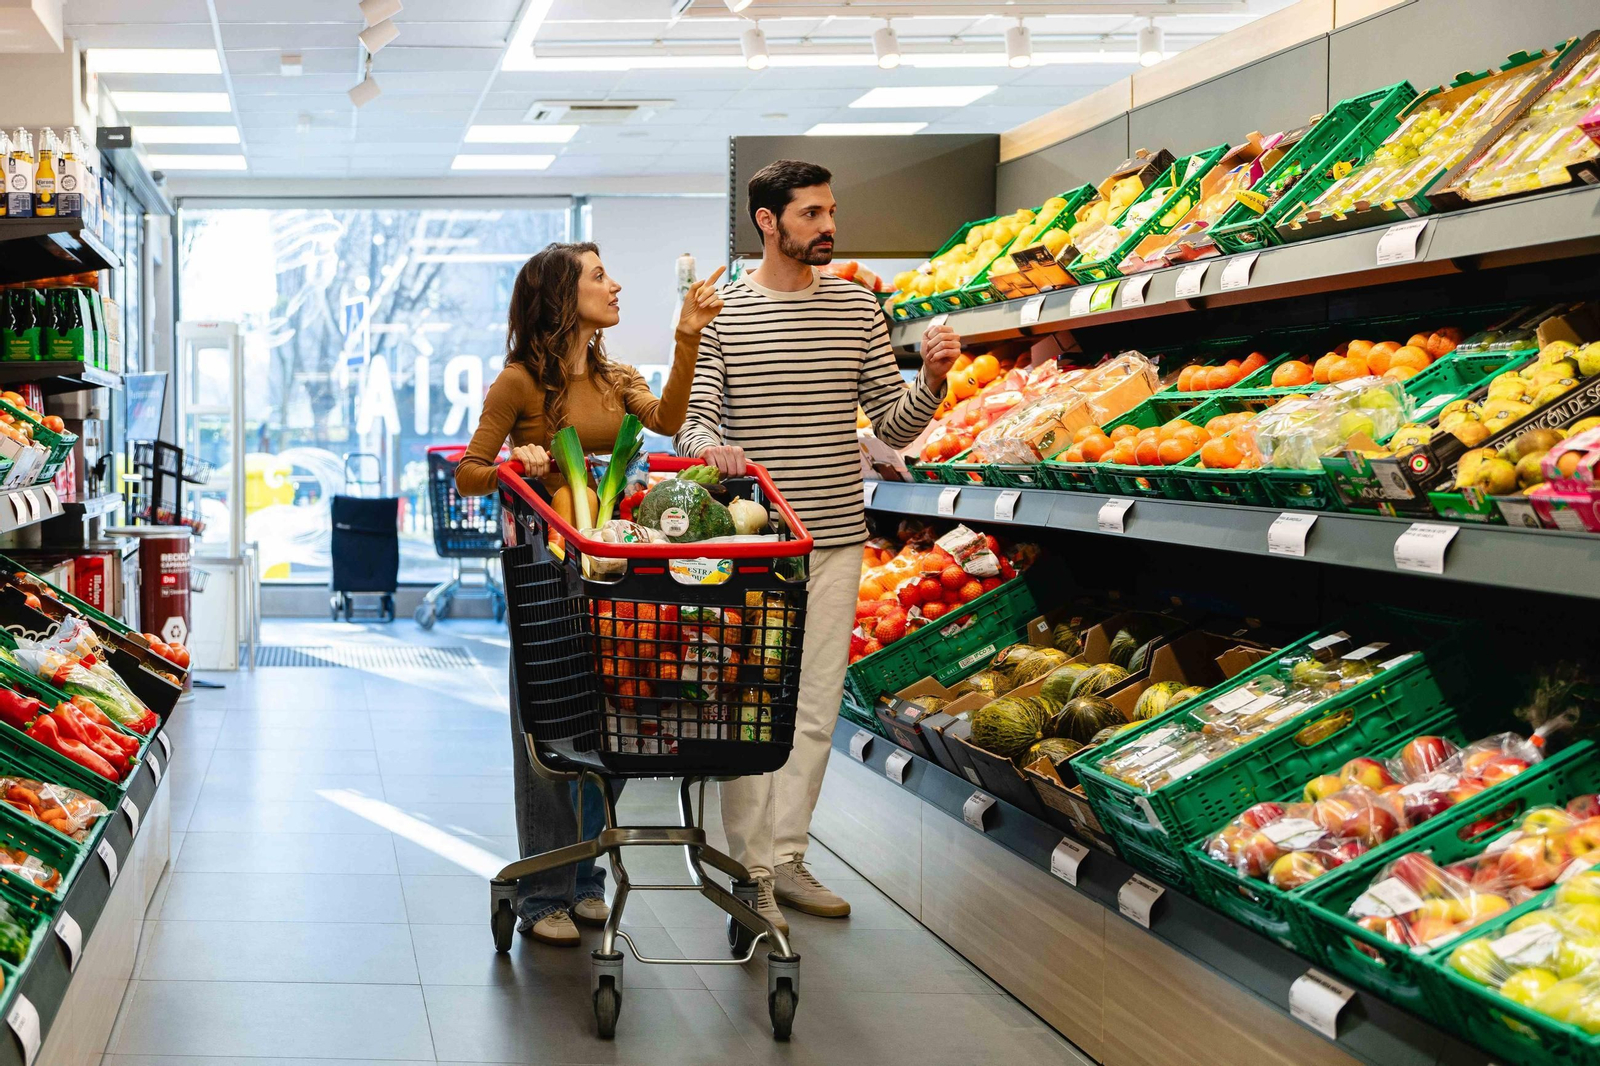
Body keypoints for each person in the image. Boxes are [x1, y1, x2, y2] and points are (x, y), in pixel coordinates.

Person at [675, 160, 960, 933]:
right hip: (756, 548)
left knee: (812, 708)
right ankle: (750, 867)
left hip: (835, 538)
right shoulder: (727, 317)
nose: (828, 227)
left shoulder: (859, 308)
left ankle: (788, 857)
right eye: (810, 214)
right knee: (750, 704)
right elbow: (692, 425)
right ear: (768, 222)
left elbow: (890, 427)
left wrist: (931, 380)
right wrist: (715, 452)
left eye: (831, 211)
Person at [456, 241, 725, 945]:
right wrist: (516, 462)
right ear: (560, 295)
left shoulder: (616, 378)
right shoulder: (517, 383)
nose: (615, 285)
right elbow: (469, 472)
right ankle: (541, 892)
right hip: (547, 572)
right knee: (547, 731)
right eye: (599, 275)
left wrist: (687, 336)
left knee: (606, 725)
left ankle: (586, 880)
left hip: (613, 571)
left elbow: (666, 421)